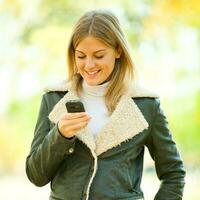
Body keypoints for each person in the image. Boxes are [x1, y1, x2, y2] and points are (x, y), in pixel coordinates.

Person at [26, 9, 185, 200]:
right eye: (81, 56)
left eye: (99, 55)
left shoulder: (145, 105)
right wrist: (60, 135)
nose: (89, 65)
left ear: (118, 50)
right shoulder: (54, 99)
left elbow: (174, 173)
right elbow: (36, 175)